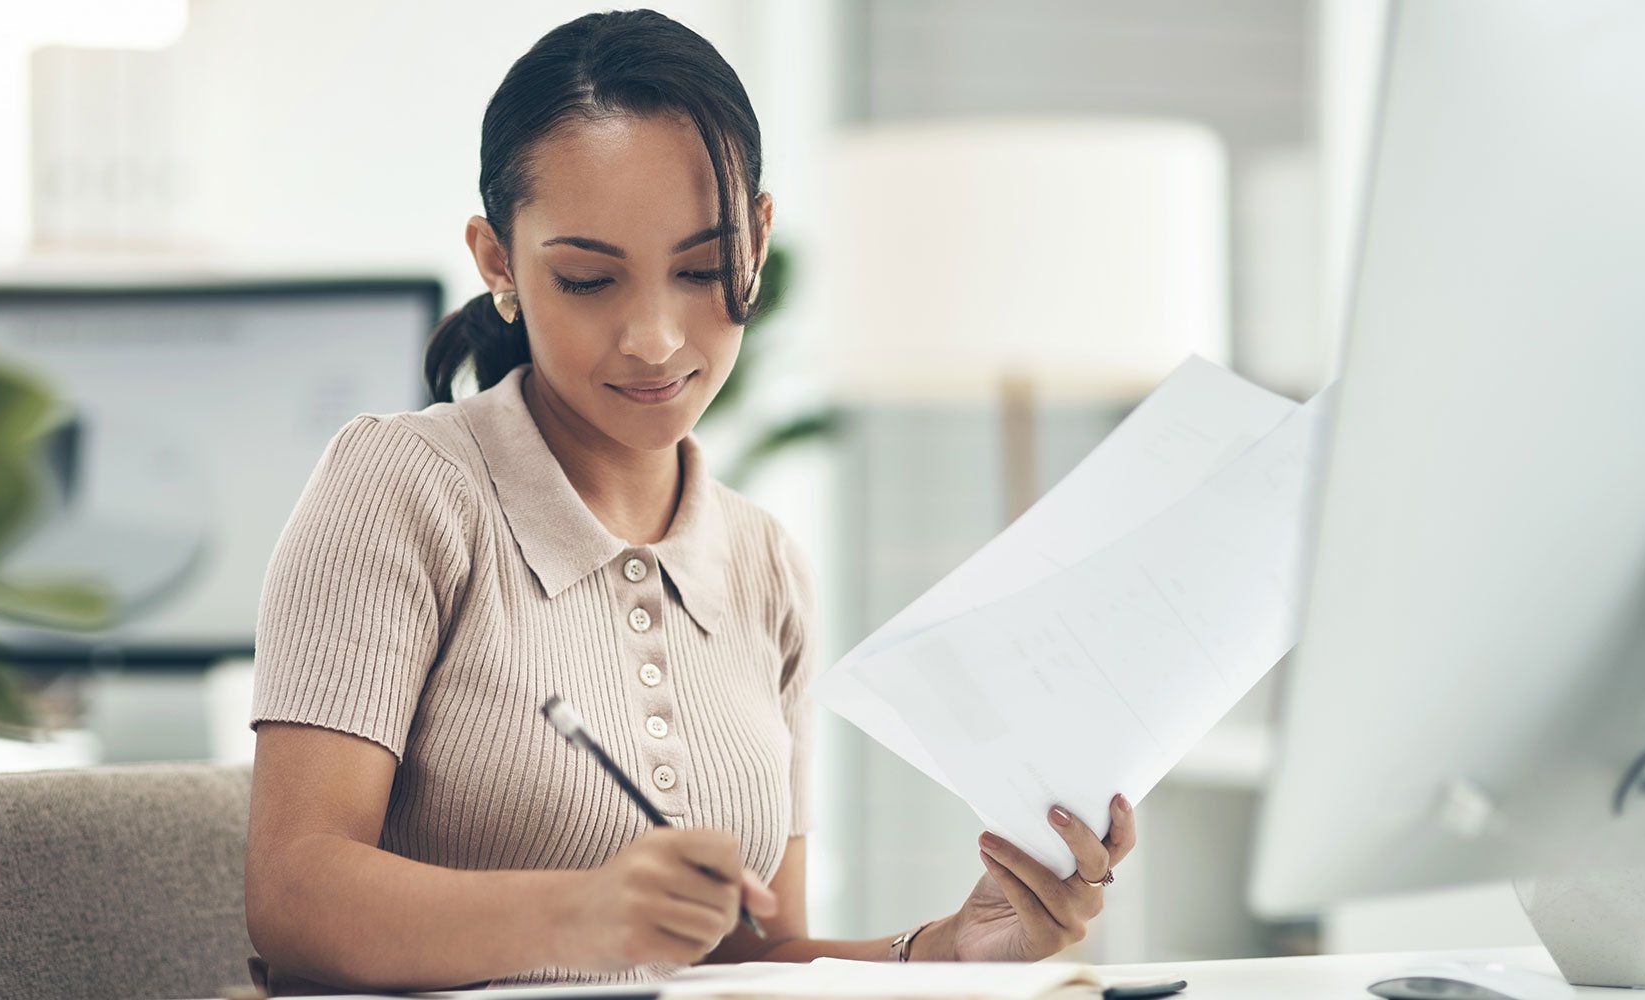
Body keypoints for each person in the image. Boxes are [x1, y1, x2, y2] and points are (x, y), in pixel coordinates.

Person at [243, 9, 1138, 994]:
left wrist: (939, 950)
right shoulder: (403, 489)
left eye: (702, 270)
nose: (656, 339)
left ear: (757, 237)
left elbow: (747, 961)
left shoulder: (762, 563)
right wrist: (578, 913)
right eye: (587, 279)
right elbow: (293, 896)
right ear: (497, 261)